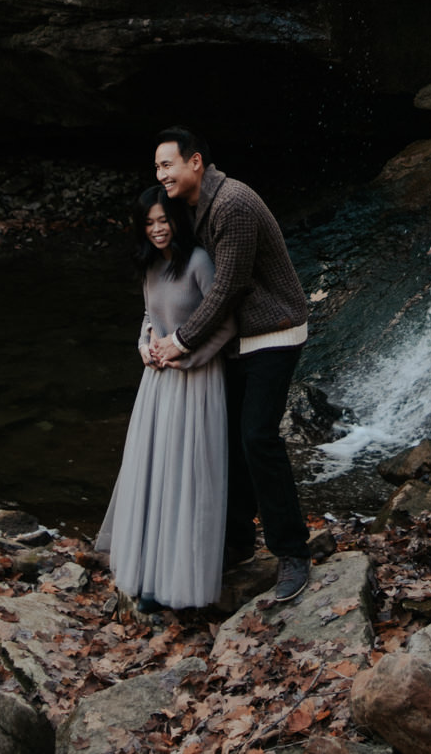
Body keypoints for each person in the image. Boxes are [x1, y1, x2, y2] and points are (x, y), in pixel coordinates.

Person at [148, 126, 314, 605]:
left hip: (274, 330)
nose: (162, 176)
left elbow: (230, 287)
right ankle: (238, 542)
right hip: (236, 337)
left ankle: (293, 554)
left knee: (257, 438)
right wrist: (151, 333)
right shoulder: (192, 205)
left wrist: (180, 340)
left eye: (167, 165)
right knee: (227, 438)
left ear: (195, 162)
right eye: (157, 168)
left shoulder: (233, 204)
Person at [93, 186, 234, 611]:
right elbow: (148, 316)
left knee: (185, 477)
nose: (157, 229)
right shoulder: (151, 265)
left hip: (196, 380)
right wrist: (143, 345)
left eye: (163, 220)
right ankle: (149, 576)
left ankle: (182, 582)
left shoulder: (199, 262)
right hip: (156, 384)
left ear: (178, 220)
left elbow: (226, 324)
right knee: (152, 473)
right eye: (149, 223)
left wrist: (187, 358)